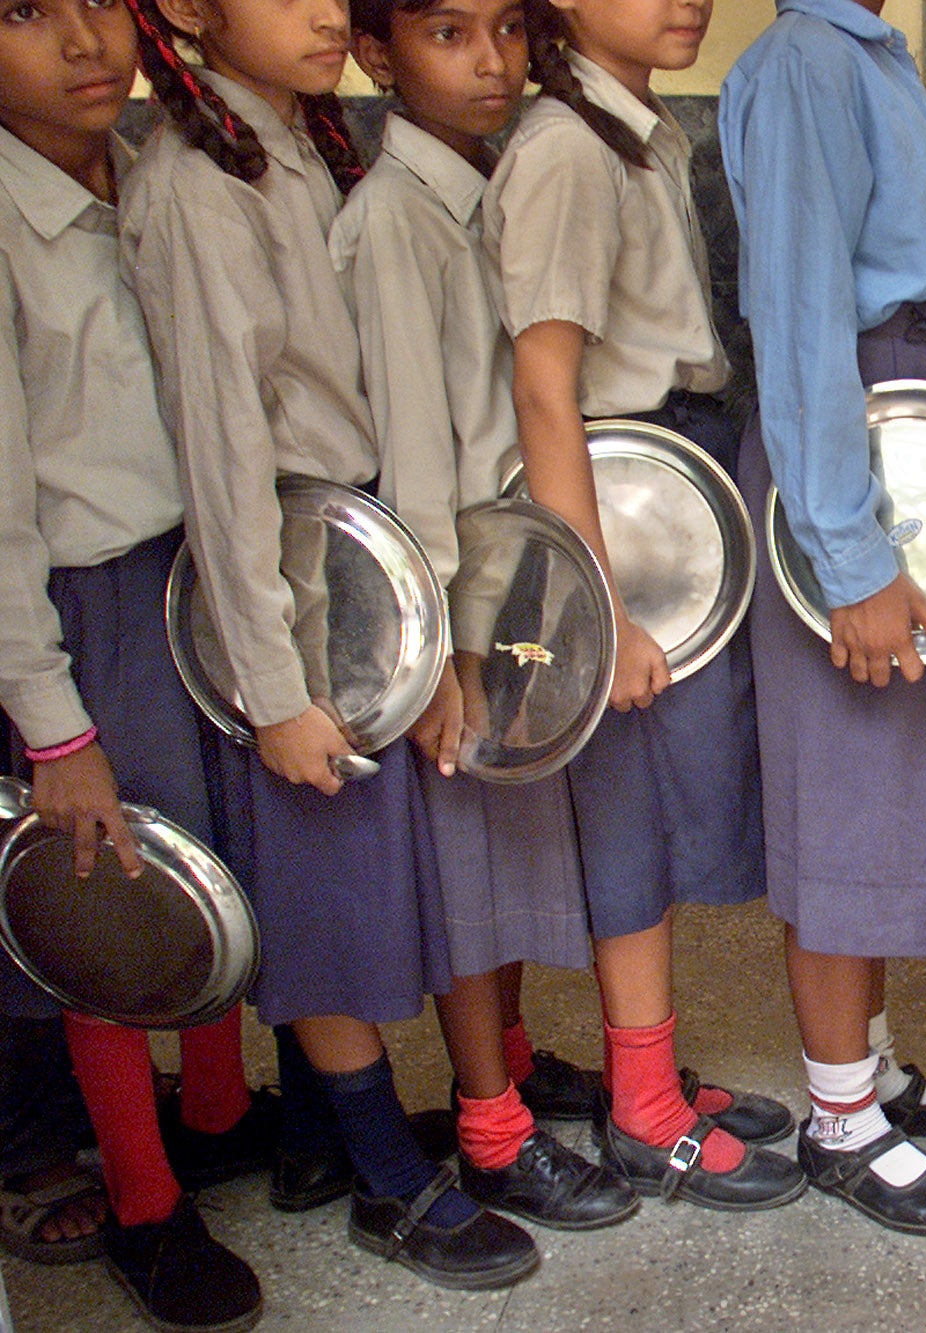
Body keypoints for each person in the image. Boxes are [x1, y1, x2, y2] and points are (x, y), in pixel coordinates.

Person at [121, 0, 539, 1288]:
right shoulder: (198, 186)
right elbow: (225, 449)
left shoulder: (292, 144)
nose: (322, 7)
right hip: (282, 586)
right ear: (189, 11)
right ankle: (383, 1175)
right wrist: (273, 687)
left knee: (357, 881)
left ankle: (315, 1136)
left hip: (349, 569)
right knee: (323, 894)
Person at [485, 0, 803, 1213]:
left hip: (670, 487)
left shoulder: (636, 131)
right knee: (624, 815)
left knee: (664, 809)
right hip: (612, 501)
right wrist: (592, 604)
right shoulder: (566, 147)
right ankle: (642, 1109)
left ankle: (652, 1071)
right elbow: (543, 388)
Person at [332, 0, 638, 1233]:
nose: (493, 62)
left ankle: (502, 1067)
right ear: (376, 55)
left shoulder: (473, 189)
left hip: (497, 570)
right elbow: (414, 457)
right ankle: (490, 1129)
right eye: (448, 34)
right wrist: (444, 657)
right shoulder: (394, 224)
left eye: (507, 29)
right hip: (447, 592)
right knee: (467, 872)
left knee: (505, 857)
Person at [0, 0, 270, 1321]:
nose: (84, 41)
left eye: (104, 0)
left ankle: (216, 1113)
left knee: (209, 855)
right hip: (79, 604)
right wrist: (54, 724)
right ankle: (145, 1200)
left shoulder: (162, 176)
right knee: (109, 889)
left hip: (188, 577)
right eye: (24, 12)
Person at [720, 0, 926, 1237]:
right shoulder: (801, 62)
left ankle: (866, 1064)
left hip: (900, 437)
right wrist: (847, 551)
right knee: (842, 796)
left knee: (878, 792)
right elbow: (798, 314)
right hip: (849, 460)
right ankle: (840, 1120)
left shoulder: (867, 53)